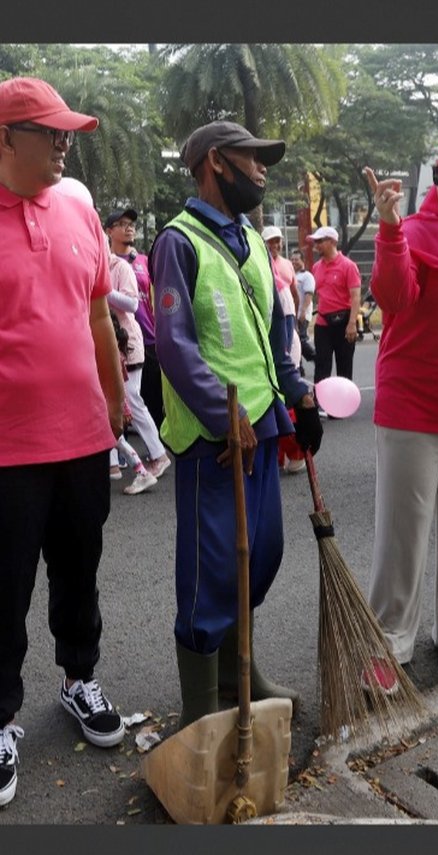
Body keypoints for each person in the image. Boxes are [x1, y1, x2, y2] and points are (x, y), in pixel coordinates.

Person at [149, 119, 323, 727]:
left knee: (261, 555)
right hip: (214, 439)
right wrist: (224, 416)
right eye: (253, 159)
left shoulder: (249, 237)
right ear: (217, 162)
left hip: (263, 425)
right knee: (210, 572)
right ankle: (201, 715)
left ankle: (237, 673)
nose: (263, 169)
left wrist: (297, 394)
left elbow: (273, 328)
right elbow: (174, 344)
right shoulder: (178, 240)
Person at [0, 76, 126, 806]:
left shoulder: (78, 205)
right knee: (3, 588)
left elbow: (99, 316)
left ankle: (80, 677)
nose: (62, 145)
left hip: (80, 441)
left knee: (80, 571)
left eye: (67, 133)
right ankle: (1, 714)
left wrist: (112, 399)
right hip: (8, 452)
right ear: (5, 138)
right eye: (49, 133)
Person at [364, 135, 438, 694]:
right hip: (411, 402)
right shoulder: (411, 231)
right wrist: (388, 228)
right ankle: (389, 641)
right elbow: (394, 298)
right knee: (401, 535)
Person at [105, 224, 171, 481]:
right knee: (108, 400)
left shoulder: (120, 267)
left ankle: (158, 454)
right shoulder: (96, 266)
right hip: (108, 343)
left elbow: (132, 303)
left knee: (131, 400)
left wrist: (104, 291)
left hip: (128, 343)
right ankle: (112, 463)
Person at [105, 207, 164, 429]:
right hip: (117, 340)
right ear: (109, 231)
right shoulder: (105, 263)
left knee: (151, 399)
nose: (129, 228)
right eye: (122, 224)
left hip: (148, 339)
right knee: (122, 399)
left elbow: (155, 296)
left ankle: (159, 452)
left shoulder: (143, 261)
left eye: (131, 224)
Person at [109, 312, 158, 496]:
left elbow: (120, 387)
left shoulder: (113, 356)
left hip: (110, 408)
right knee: (115, 441)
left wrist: (125, 410)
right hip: (111, 407)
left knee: (118, 441)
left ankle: (142, 472)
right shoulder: (115, 354)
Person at [308, 225, 361, 384]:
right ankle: (318, 405)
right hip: (323, 324)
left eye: (319, 241)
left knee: (344, 368)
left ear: (332, 242)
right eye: (315, 242)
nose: (316, 245)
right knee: (322, 367)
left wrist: (352, 324)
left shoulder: (348, 266)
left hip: (344, 323)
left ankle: (342, 407)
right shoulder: (316, 267)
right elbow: (316, 294)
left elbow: (356, 297)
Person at [261, 225, 299, 355]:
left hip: (288, 314)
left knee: (286, 353)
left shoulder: (288, 264)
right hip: (270, 316)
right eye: (270, 242)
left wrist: (296, 320)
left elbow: (295, 293)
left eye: (277, 241)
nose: (274, 245)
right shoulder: (260, 263)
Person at [290, 248, 316, 367]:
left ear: (302, 260)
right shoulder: (292, 275)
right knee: (294, 341)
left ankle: (316, 357)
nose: (294, 261)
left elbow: (309, 294)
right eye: (292, 259)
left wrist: (303, 311)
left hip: (302, 313)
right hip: (292, 313)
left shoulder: (307, 276)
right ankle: (298, 367)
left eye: (296, 259)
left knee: (301, 339)